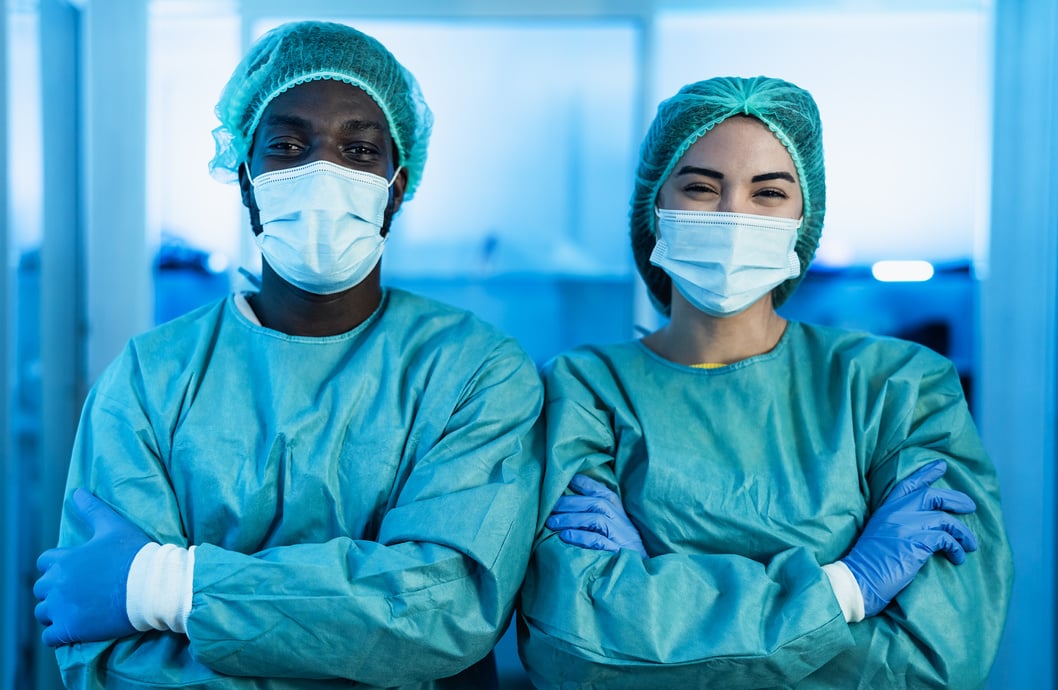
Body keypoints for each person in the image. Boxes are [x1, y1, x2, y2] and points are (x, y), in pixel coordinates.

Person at [32, 21, 543, 689]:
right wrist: (359, 642)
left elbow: (444, 607)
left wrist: (166, 588)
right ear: (247, 180)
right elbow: (108, 659)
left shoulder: (475, 371)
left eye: (359, 150)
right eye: (288, 146)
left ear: (397, 183)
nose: (323, 173)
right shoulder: (151, 377)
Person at [517, 76, 1012, 688]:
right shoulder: (586, 389)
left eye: (768, 193)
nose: (733, 215)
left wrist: (648, 601)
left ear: (805, 217)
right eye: (700, 187)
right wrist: (851, 587)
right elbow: (572, 646)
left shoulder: (898, 389)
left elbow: (937, 657)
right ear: (654, 208)